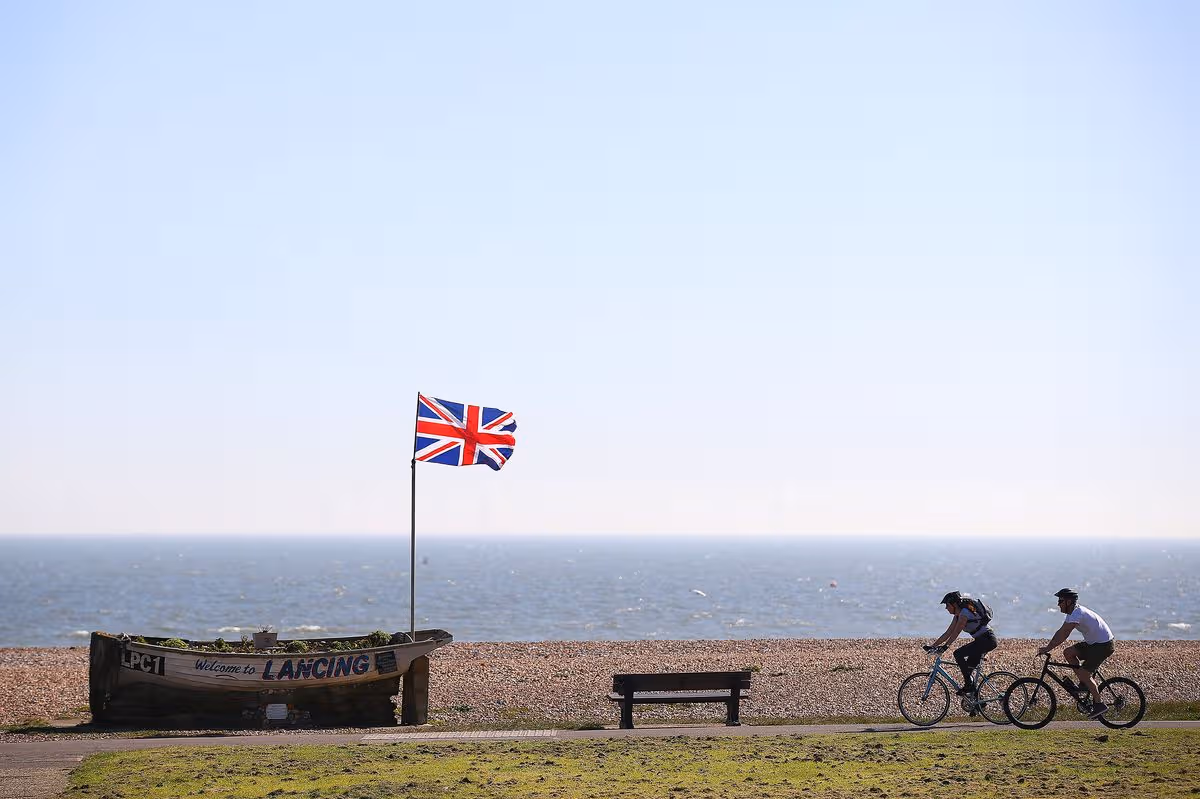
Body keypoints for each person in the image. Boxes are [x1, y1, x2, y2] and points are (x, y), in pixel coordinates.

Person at [1037, 588, 1115, 719]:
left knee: (1085, 673)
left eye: (1060, 601)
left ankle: (1099, 704)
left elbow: (1064, 634)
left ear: (1068, 602)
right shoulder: (1072, 613)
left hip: (1103, 645)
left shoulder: (1077, 613)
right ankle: (1084, 683)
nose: (1058, 604)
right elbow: (1061, 631)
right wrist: (1048, 646)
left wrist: (1048, 648)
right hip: (1093, 643)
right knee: (1068, 653)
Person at [925, 591, 997, 700]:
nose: (946, 608)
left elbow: (956, 632)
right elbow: (948, 633)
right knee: (968, 671)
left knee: (958, 653)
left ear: (954, 605)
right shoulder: (957, 616)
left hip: (987, 640)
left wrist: (946, 647)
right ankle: (978, 704)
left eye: (947, 605)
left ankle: (969, 686)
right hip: (981, 640)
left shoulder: (964, 614)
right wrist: (933, 646)